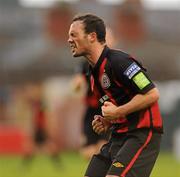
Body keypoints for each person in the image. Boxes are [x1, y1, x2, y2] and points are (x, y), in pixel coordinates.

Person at [68, 13, 163, 177]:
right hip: (118, 135)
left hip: (142, 133)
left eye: (73, 35)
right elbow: (118, 104)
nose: (69, 40)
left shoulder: (120, 62)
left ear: (92, 37)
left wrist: (118, 112)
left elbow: (152, 93)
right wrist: (107, 120)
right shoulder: (92, 75)